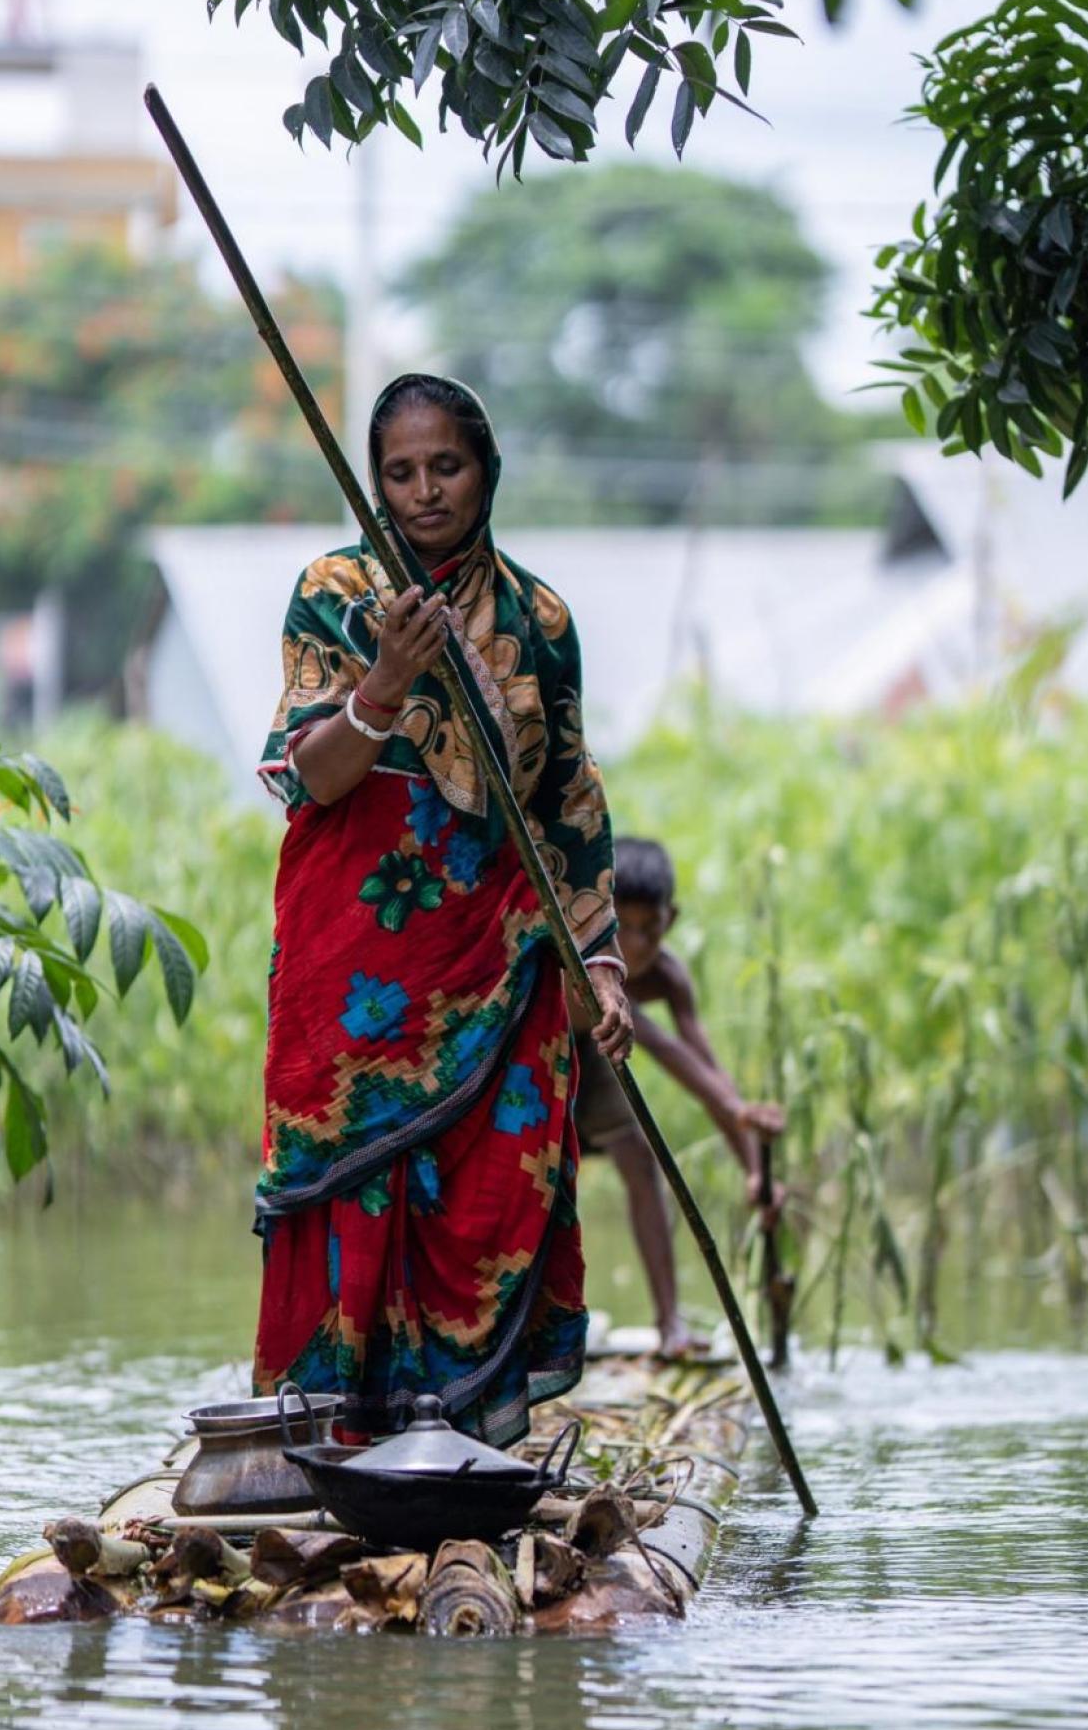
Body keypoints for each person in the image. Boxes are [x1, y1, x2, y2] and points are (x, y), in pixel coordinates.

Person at [252, 371, 631, 1448]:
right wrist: (383, 682)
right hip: (358, 944)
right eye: (399, 473)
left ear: (486, 471)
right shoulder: (334, 589)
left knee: (489, 1179)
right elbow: (310, 776)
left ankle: (467, 1430)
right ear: (372, 483)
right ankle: (337, 1435)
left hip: (500, 946)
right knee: (355, 1179)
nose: (423, 493)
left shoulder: (538, 617)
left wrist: (599, 963)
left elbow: (566, 794)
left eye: (445, 467)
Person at [575, 836, 784, 1359]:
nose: (638, 946)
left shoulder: (668, 977)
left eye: (652, 929)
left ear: (674, 919)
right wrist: (738, 1111)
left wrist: (756, 1169)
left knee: (639, 1160)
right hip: (544, 1057)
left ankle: (669, 1324)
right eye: (626, 928)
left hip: (602, 1063)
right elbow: (664, 1048)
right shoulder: (587, 961)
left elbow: (706, 1066)